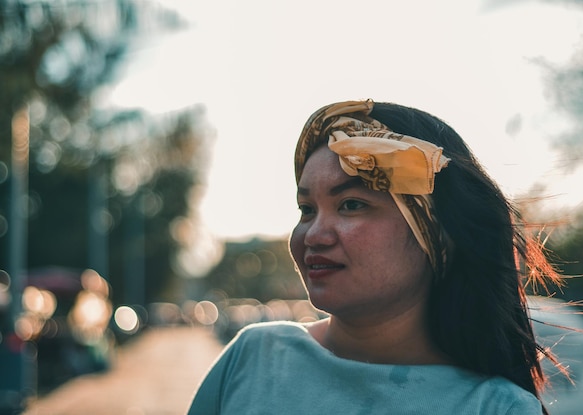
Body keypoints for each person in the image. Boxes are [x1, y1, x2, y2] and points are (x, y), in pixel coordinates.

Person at [187, 99, 563, 414]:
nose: (313, 235)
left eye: (351, 204)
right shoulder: (251, 358)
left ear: (438, 234)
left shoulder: (495, 407)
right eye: (306, 208)